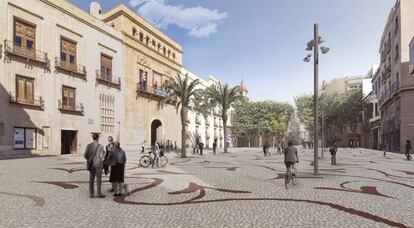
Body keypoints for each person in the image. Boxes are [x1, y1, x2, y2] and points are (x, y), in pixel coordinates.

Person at [84, 133, 106, 198]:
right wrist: (104, 153)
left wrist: (89, 159)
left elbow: (85, 155)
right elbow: (101, 156)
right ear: (97, 138)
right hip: (98, 164)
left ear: (92, 138)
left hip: (91, 165)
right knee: (99, 179)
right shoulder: (101, 146)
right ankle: (99, 193)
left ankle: (91, 193)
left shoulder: (88, 146)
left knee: (91, 179)